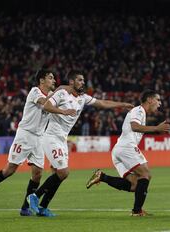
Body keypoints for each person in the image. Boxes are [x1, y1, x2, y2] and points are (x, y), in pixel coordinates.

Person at [27, 70, 134, 217]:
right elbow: (46, 106)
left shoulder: (83, 98)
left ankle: (43, 207)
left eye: (83, 80)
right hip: (51, 137)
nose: (83, 82)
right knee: (63, 172)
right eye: (80, 80)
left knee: (61, 175)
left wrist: (121, 104)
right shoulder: (62, 94)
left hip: (62, 139)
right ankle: (34, 196)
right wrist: (63, 112)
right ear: (71, 82)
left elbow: (102, 103)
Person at [0, 69, 74, 216]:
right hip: (25, 135)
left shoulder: (51, 96)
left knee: (37, 174)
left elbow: (57, 101)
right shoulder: (35, 92)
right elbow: (45, 104)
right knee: (10, 170)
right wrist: (62, 101)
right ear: (42, 80)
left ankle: (25, 208)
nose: (54, 80)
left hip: (38, 137)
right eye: (50, 78)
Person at [85, 89, 170, 216]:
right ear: (149, 100)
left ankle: (102, 176)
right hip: (127, 147)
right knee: (145, 175)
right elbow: (134, 126)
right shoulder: (139, 110)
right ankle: (137, 211)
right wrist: (156, 128)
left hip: (119, 150)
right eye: (158, 100)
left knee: (136, 185)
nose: (160, 103)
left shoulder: (141, 112)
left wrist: (156, 129)